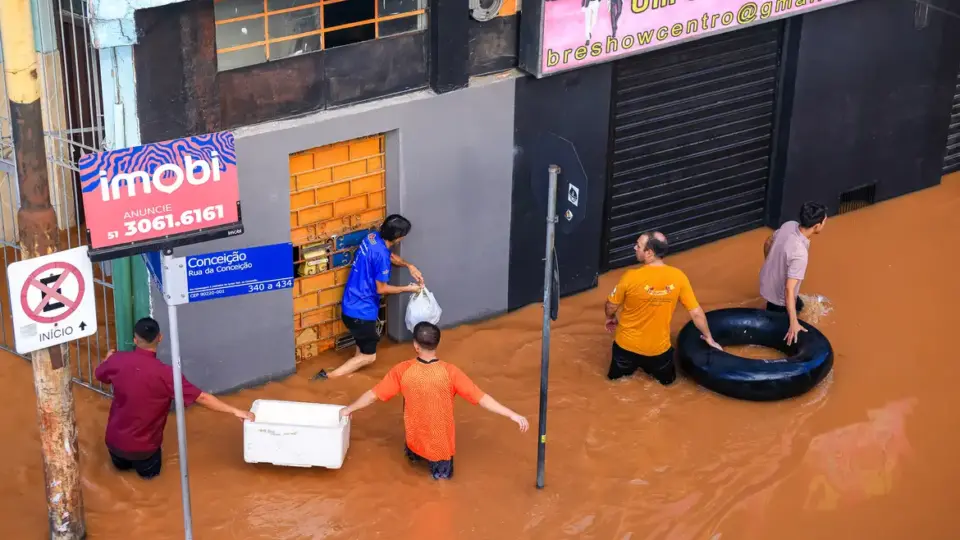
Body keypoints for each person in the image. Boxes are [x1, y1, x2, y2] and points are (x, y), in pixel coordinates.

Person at [339, 322, 528, 480]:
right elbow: (482, 398)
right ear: (437, 344)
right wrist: (512, 414)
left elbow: (373, 395)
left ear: (416, 345)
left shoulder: (402, 370)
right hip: (440, 448)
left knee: (411, 472)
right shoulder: (451, 373)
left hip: (414, 441)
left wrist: (348, 409)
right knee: (441, 490)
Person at [93, 317, 254, 480]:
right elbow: (202, 398)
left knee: (119, 479)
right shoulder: (167, 374)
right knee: (150, 484)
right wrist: (235, 411)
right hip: (145, 450)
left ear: (135, 340)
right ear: (160, 338)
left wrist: (107, 359)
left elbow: (99, 375)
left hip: (114, 444)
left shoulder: (116, 360)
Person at [315, 214, 424, 380]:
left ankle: (350, 373)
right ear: (398, 237)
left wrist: (409, 266)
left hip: (350, 305)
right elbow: (381, 288)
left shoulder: (371, 238)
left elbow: (390, 256)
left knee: (362, 347)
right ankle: (327, 377)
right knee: (369, 357)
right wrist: (408, 289)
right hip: (362, 313)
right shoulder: (382, 258)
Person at [604, 231, 722, 384]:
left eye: (638, 246)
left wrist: (610, 318)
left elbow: (611, 305)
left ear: (649, 253)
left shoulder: (630, 277)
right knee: (668, 385)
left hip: (626, 348)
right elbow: (696, 313)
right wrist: (709, 338)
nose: (634, 248)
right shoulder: (678, 277)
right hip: (658, 352)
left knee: (614, 384)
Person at [760, 201, 828, 345]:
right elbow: (789, 289)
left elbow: (768, 242)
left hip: (765, 281)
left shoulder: (789, 225)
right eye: (824, 221)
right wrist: (794, 323)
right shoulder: (800, 253)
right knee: (781, 334)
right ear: (817, 226)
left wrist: (770, 264)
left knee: (800, 306)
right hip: (778, 298)